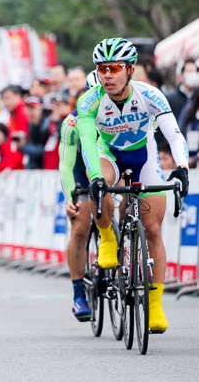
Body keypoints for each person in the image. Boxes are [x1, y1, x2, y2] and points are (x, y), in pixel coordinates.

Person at [78, 38, 189, 333]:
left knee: (152, 229)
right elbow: (88, 142)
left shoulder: (150, 95)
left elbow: (174, 134)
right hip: (108, 153)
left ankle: (155, 305)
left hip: (145, 155)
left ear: (130, 70)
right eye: (102, 69)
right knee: (98, 182)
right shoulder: (89, 101)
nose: (107, 75)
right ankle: (108, 237)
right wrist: (97, 178)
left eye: (114, 68)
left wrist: (182, 167)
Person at [60, 70, 100, 321]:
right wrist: (69, 197)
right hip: (80, 174)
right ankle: (78, 294)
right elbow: (66, 164)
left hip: (110, 171)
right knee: (80, 227)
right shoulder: (72, 122)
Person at [0, 85, 28, 174]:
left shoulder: (22, 112)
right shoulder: (12, 114)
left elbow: (19, 142)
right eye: (4, 99)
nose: (6, 102)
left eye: (8, 98)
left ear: (18, 96)